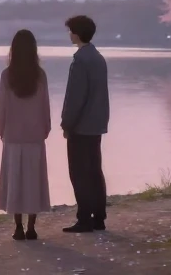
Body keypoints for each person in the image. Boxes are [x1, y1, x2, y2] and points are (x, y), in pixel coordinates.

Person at [0, 29, 52, 241]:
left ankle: (18, 227)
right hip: (35, 136)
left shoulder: (7, 75)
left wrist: (1, 129)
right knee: (33, 181)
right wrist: (45, 128)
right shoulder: (40, 75)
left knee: (15, 182)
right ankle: (32, 228)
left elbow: (1, 107)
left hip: (13, 136)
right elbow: (45, 106)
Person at [60, 15, 109, 233]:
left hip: (81, 125)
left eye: (71, 31)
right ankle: (98, 217)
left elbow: (75, 97)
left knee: (79, 172)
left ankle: (84, 218)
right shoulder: (98, 58)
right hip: (96, 123)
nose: (69, 34)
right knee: (94, 171)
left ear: (77, 33)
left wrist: (67, 123)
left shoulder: (80, 60)